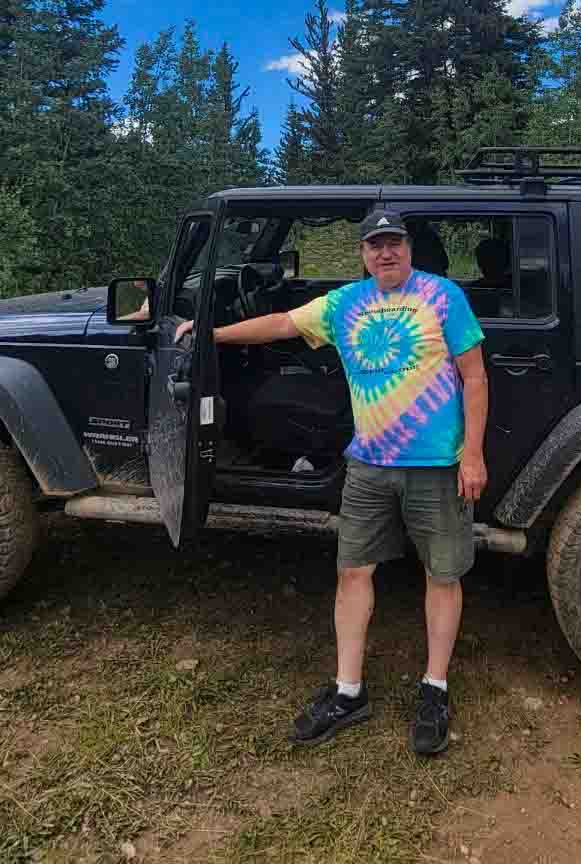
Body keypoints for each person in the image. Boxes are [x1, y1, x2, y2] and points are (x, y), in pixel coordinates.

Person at [175, 207, 487, 756]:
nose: (385, 253)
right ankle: (348, 692)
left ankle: (434, 690)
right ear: (363, 254)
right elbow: (281, 324)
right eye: (374, 245)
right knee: (352, 572)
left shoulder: (443, 297)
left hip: (437, 464)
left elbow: (475, 376)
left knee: (442, 575)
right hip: (367, 464)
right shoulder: (344, 303)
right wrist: (209, 332)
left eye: (393, 243)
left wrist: (473, 456)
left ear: (408, 248)